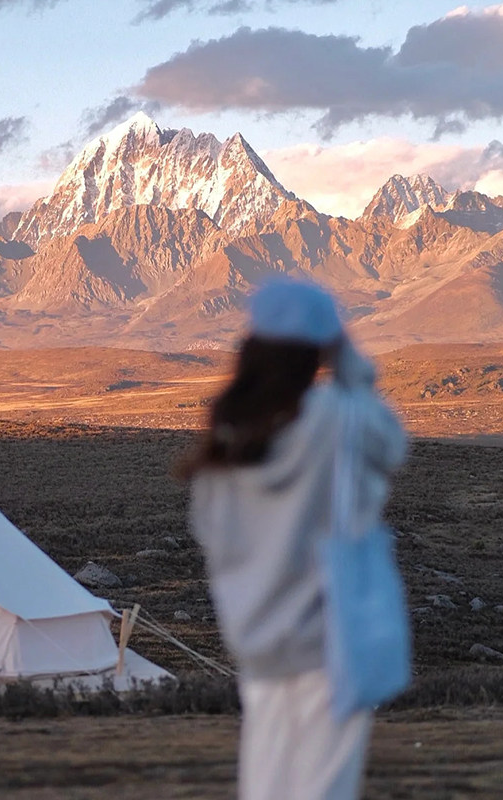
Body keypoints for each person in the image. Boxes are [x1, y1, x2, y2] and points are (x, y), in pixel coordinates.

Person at [181, 278, 407, 800]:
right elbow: (390, 443)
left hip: (257, 646)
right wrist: (350, 363)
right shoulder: (335, 420)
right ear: (319, 351)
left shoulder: (225, 441)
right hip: (329, 646)